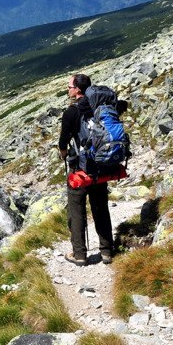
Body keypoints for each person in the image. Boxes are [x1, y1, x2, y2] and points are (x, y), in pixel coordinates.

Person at [57, 73, 114, 266]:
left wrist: (63, 153)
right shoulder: (98, 107)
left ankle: (79, 254)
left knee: (77, 210)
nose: (68, 90)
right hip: (100, 166)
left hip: (79, 169)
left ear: (77, 89)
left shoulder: (71, 112)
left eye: (70, 87)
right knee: (100, 208)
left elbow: (63, 142)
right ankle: (106, 251)